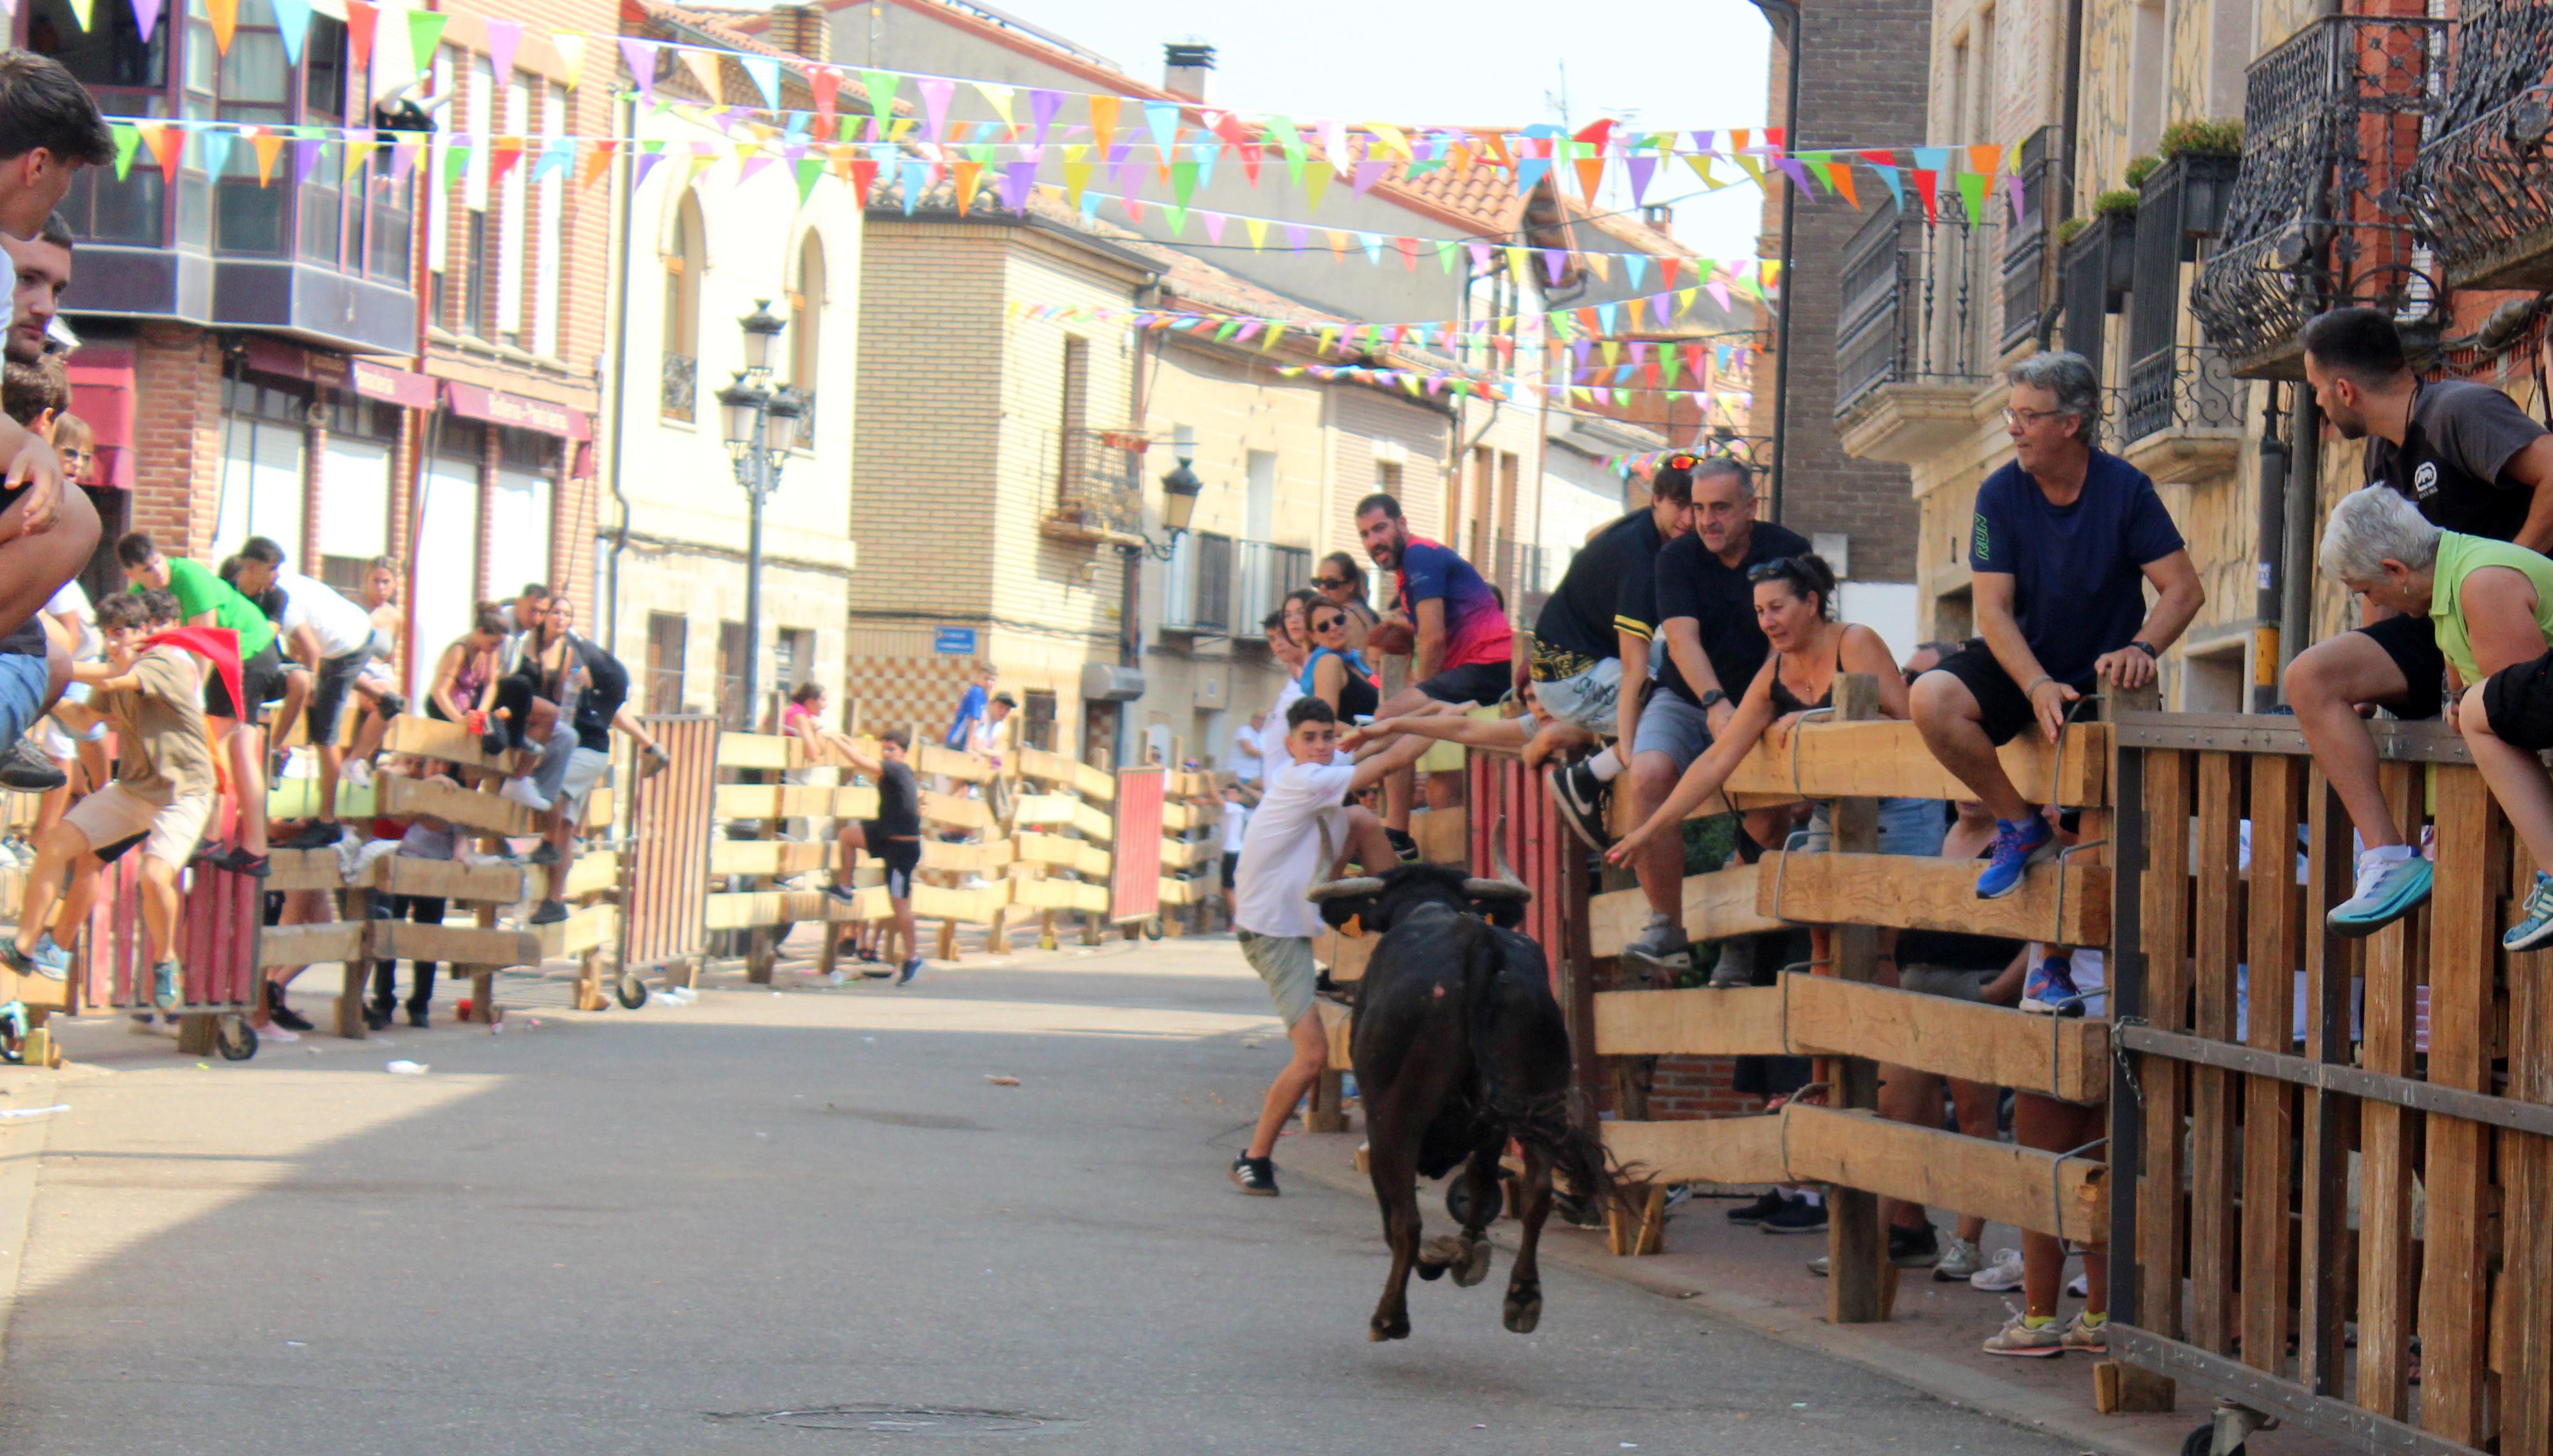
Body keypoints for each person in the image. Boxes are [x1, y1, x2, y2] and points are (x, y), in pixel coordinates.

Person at [2286, 308, 2553, 935]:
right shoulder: (2383, 452)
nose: (2318, 403)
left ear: (2343, 389)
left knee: (2501, 716)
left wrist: (2506, 564)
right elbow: (2375, 573)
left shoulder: (2459, 411)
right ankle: (2387, 859)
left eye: (2316, 388)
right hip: (2438, 615)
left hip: (2504, 607)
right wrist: (2366, 677)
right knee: (2310, 679)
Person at [1908, 351, 2202, 906]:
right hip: (2020, 665)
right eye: (2011, 414)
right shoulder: (1998, 494)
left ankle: (2066, 953)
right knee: (1930, 697)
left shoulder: (2127, 490)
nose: (2014, 429)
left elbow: (2184, 589)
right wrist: (2036, 683)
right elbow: (1992, 610)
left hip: (2101, 682)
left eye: (2028, 416)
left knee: (2095, 853)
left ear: (2071, 423)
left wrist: (2142, 647)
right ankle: (2018, 824)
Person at [2317, 486, 2553, 949]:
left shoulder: (2480, 582)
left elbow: (2518, 714)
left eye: (2368, 591)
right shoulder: (2453, 582)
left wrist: (2469, 704)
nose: (2375, 603)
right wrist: (2462, 700)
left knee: (2485, 710)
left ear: (2395, 570)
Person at [1228, 696, 1436, 1196]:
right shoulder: (1302, 779)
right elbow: (1390, 760)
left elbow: (1375, 747)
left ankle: (1407, 917)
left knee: (1361, 820)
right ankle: (1254, 1158)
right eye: (1310, 739)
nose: (1321, 746)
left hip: (1300, 907)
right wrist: (1456, 726)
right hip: (1272, 931)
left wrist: (1438, 709)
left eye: (1328, 737)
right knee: (1312, 1055)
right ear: (1290, 745)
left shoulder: (1321, 766)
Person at [1614, 456, 1807, 966]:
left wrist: (1753, 707)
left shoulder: (1790, 552)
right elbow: (1681, 641)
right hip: (1687, 696)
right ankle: (1666, 927)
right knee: (1647, 776)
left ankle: (1738, 934)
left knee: (1771, 815)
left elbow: (1790, 644)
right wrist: (1716, 702)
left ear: (1751, 507)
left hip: (1767, 696)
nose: (1705, 520)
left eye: (1719, 508)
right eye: (1698, 508)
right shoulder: (1675, 558)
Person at [0, 593, 215, 1012]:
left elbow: (116, 681)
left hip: (183, 793)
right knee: (56, 844)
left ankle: (164, 960)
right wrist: (43, 695)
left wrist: (46, 664)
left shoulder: (167, 662)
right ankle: (25, 947)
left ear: (144, 632)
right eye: (108, 636)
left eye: (121, 634)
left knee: (154, 877)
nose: (114, 644)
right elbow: (86, 720)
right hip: (134, 789)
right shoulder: (119, 666)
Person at [1535, 455, 1699, 848]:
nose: (1690, 520)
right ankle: (1586, 778)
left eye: (1699, 507)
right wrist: (1629, 751)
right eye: (1680, 506)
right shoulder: (1642, 565)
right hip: (1568, 676)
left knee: (1680, 663)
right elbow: (1633, 672)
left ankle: (1609, 752)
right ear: (1657, 499)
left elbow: (1593, 534)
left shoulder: (1642, 526)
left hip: (1575, 655)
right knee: (1671, 707)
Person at [116, 531, 278, 875]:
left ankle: (224, 839)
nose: (157, 573)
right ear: (131, 573)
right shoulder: (138, 595)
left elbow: (206, 644)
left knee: (215, 742)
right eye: (147, 570)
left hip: (246, 653)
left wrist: (192, 699)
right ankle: (238, 844)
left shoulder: (190, 576)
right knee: (225, 745)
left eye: (158, 562)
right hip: (225, 657)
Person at [1353, 494, 1515, 832]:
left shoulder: (1419, 556)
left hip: (1488, 665)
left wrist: (1423, 688)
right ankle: (1392, 827)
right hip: (1482, 668)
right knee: (1404, 732)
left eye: (1380, 529)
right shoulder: (1413, 564)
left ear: (1402, 524)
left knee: (1390, 716)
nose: (1374, 541)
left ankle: (1394, 829)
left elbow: (1433, 637)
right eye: (1365, 534)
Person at [235, 536, 383, 846]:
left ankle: (327, 821)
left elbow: (312, 651)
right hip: (348, 633)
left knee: (323, 734)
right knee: (317, 693)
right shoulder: (275, 586)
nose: (246, 575)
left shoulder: (283, 599)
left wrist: (313, 690)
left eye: (252, 569)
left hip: (347, 646)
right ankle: (381, 695)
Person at [822, 728, 926, 985]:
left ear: (903, 753)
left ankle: (912, 957)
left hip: (901, 849)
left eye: (892, 750)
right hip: (886, 836)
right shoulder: (893, 770)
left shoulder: (897, 769)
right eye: (885, 749)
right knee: (847, 836)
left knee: (899, 905)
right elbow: (861, 756)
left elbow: (860, 761)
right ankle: (845, 886)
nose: (887, 754)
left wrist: (834, 739)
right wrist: (841, 737)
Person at [364, 754, 458, 1029]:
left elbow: (442, 824)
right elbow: (400, 821)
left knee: (428, 936)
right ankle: (384, 1001)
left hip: (434, 867)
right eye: (415, 763)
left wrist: (426, 792)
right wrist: (417, 787)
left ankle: (420, 1004)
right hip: (400, 863)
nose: (420, 769)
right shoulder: (400, 784)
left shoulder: (452, 790)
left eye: (440, 763)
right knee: (390, 931)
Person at [1300, 603, 1379, 720]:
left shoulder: (1356, 660)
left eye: (1338, 620)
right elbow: (1325, 722)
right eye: (1324, 627)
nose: (1334, 627)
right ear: (1313, 636)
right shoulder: (1328, 662)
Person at [427, 607, 506, 725]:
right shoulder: (458, 651)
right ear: (480, 631)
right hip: (446, 708)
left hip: (468, 706)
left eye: (499, 645)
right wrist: (459, 720)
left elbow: (490, 684)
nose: (495, 649)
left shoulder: (491, 651)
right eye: (492, 644)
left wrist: (481, 713)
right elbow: (439, 691)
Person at [1312, 550, 1379, 653]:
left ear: (1350, 585)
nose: (1322, 588)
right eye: (1319, 582)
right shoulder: (1358, 611)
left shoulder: (1346, 618)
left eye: (1331, 583)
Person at [945, 664, 997, 750]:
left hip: (961, 742)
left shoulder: (982, 696)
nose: (989, 683)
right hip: (957, 741)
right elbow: (973, 721)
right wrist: (969, 748)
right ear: (978, 678)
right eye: (986, 678)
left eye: (992, 680)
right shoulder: (977, 692)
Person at [1229, 708, 1266, 786]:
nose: (1260, 721)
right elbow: (1250, 751)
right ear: (1252, 719)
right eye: (1258, 718)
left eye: (1263, 719)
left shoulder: (1264, 734)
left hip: (1256, 776)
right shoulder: (1244, 730)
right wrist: (1268, 754)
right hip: (1241, 775)